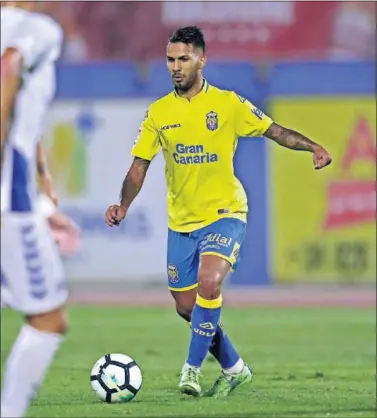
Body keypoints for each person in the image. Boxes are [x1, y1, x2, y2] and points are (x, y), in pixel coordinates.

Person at [105, 26, 332, 398]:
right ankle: (235, 368)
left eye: (183, 59)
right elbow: (139, 166)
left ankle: (190, 372)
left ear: (201, 59)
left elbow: (275, 131)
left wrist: (313, 147)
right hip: (181, 223)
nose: (176, 67)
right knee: (186, 307)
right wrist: (123, 204)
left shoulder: (228, 104)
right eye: (170, 60)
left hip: (226, 212)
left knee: (210, 282)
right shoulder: (160, 113)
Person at [1, 2, 68, 416]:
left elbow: (24, 115)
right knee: (48, 316)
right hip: (8, 199)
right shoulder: (37, 28)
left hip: (19, 189)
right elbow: (8, 68)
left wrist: (44, 179)